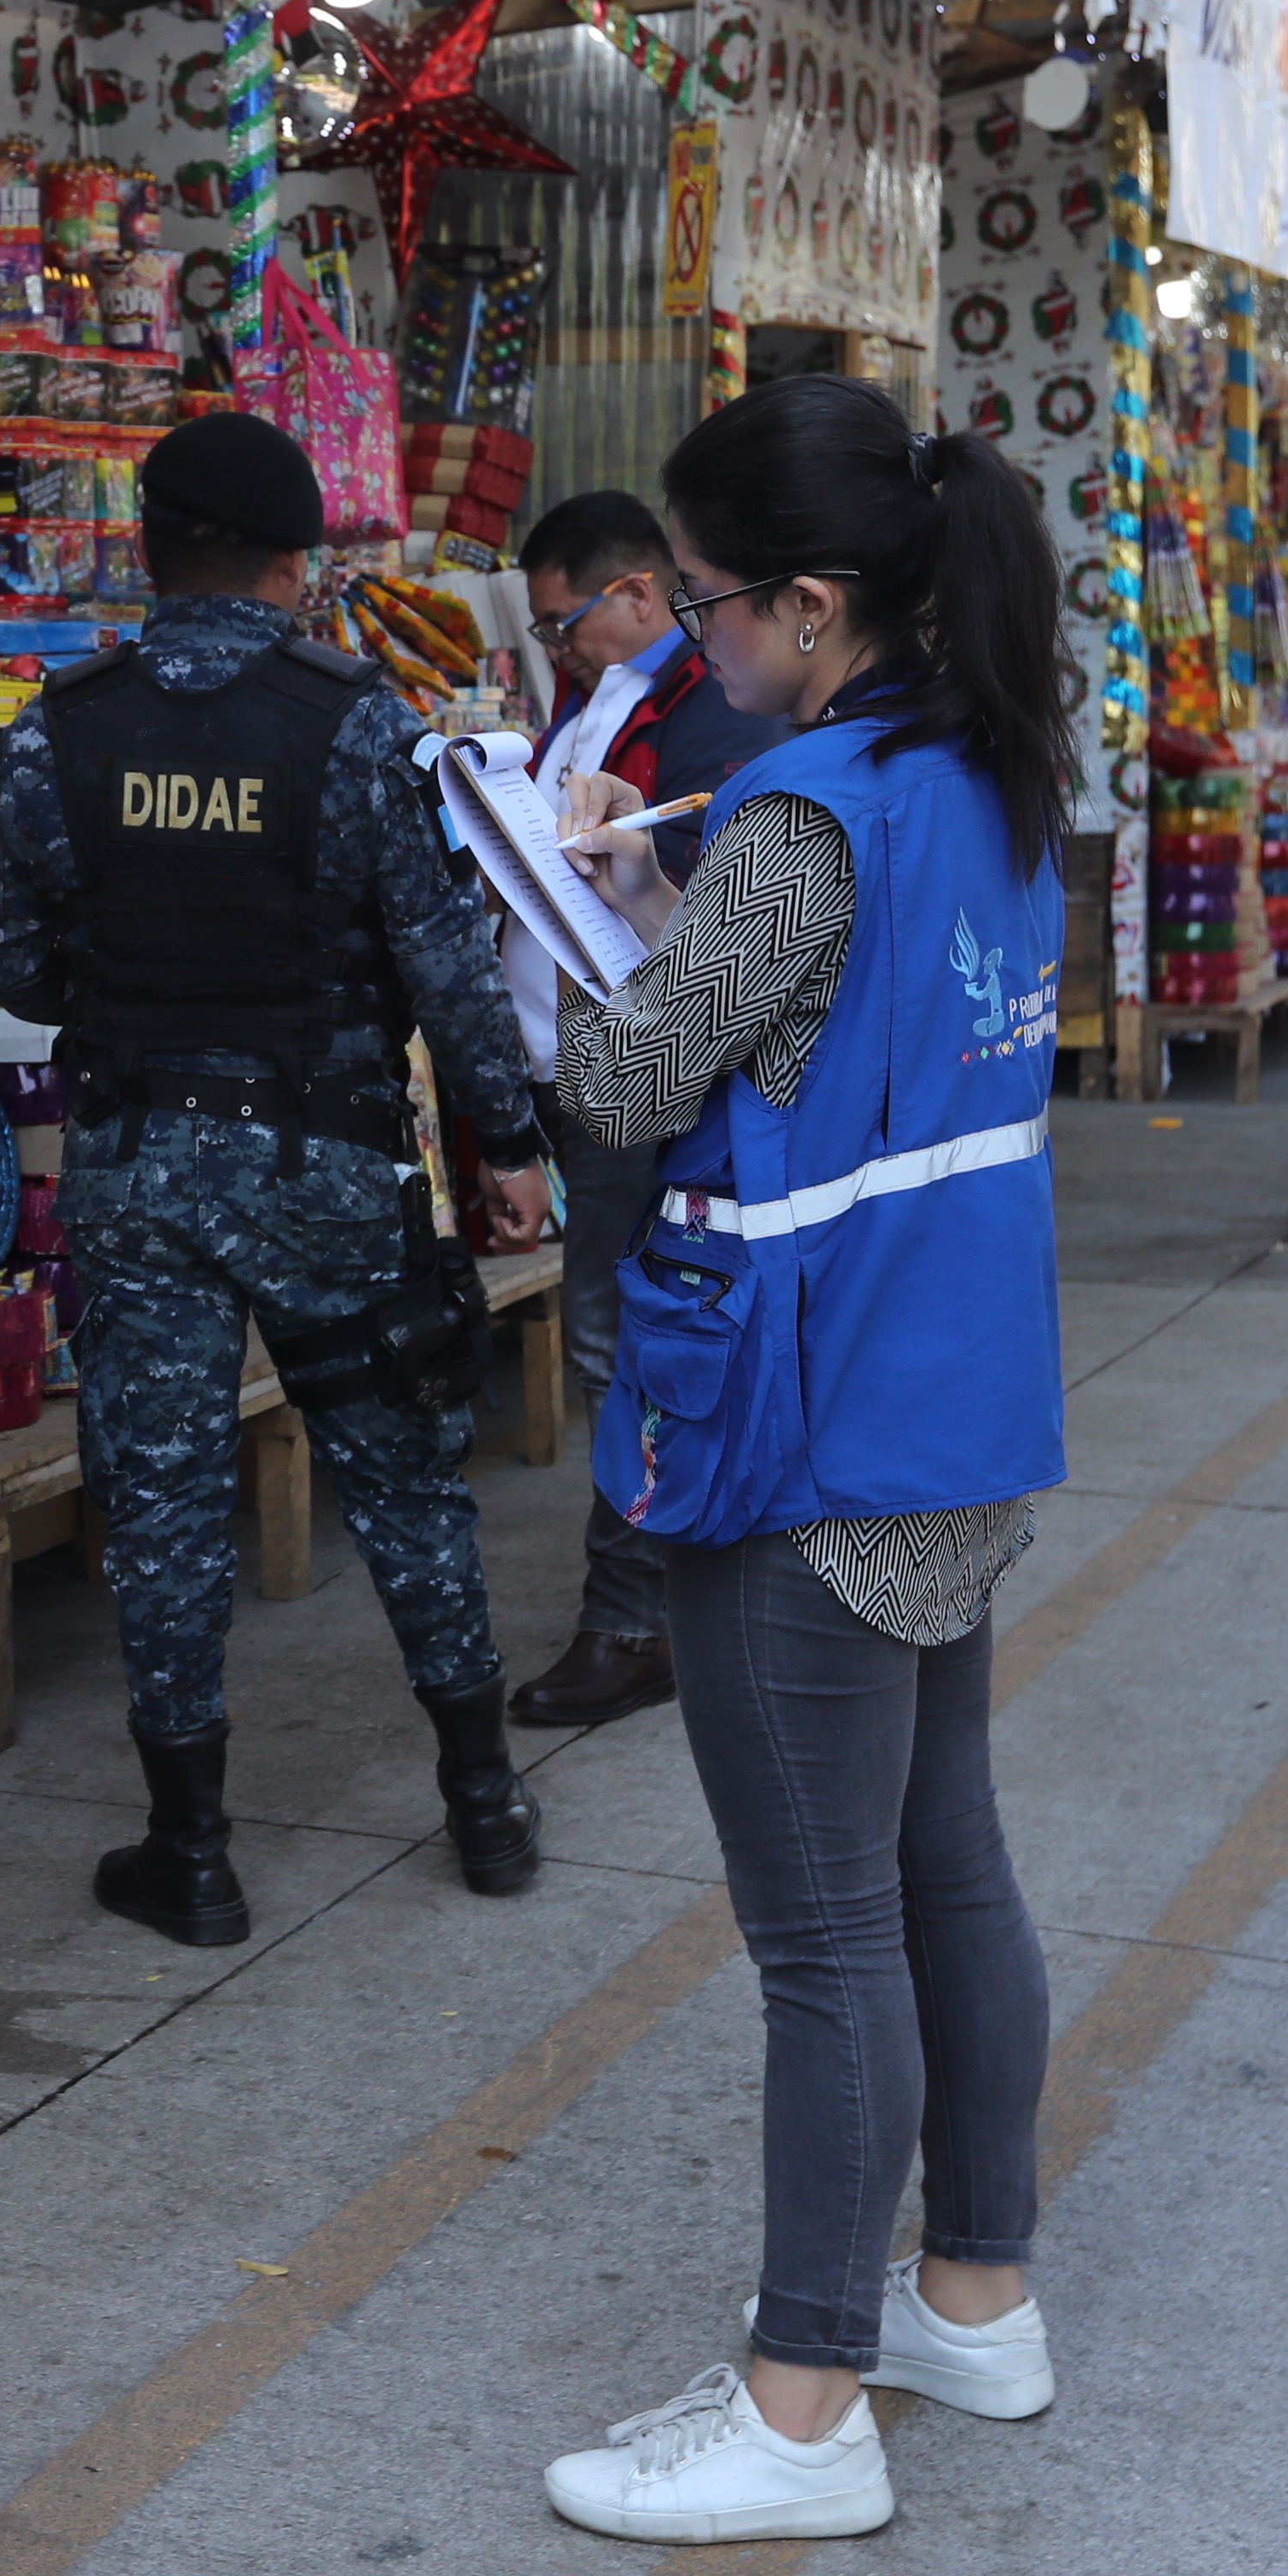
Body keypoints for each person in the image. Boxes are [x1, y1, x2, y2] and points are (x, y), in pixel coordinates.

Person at [531, 377, 1068, 2547]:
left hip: (798, 1414)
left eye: (710, 604)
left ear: (811, 605)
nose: (689, 645)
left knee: (822, 1938)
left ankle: (797, 2402)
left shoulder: (798, 814)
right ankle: (974, 2295)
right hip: (950, 1392)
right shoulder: (991, 766)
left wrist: (588, 949)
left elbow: (632, 1074)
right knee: (945, 1868)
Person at [0, 410, 555, 1948]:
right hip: (330, 1167)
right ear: (299, 563)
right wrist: (505, 1148)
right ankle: (484, 1800)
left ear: (148, 548)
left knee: (160, 1505)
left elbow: (9, 962)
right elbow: (451, 972)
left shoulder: (54, 729)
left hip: (136, 1164)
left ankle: (192, 1851)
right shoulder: (360, 723)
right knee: (407, 1479)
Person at [505, 491, 786, 1726]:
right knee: (625, 1332)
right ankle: (665, 1598)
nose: (558, 650)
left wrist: (635, 867)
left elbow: (709, 896)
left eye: (565, 625)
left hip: (648, 1069)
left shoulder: (712, 702)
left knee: (630, 1335)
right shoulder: (609, 692)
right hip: (587, 1063)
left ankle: (636, 1618)